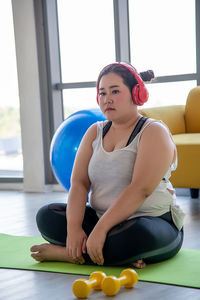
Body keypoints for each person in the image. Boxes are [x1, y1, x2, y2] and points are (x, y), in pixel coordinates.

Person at [30, 62, 185, 268]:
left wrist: (101, 230)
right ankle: (115, 255)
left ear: (136, 94)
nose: (107, 99)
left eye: (115, 91)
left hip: (151, 221)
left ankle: (70, 254)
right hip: (100, 218)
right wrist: (75, 229)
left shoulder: (153, 132)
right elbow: (79, 183)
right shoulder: (94, 131)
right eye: (102, 93)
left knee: (137, 236)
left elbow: (140, 190)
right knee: (47, 216)